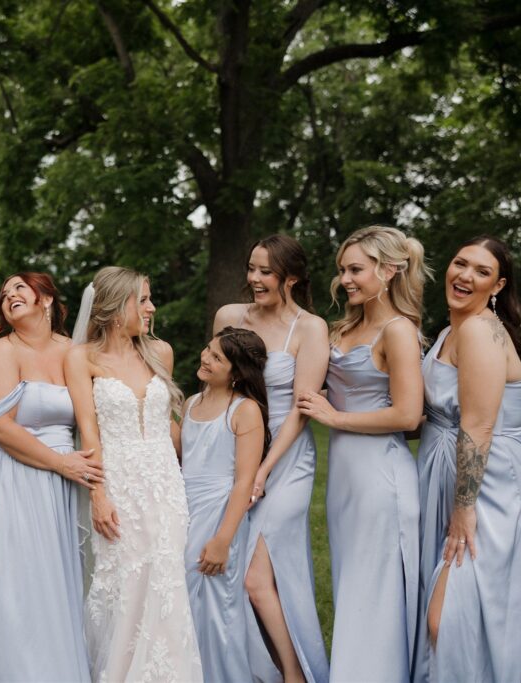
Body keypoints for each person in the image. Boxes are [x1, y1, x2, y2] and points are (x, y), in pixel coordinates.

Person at [414, 236, 521, 682]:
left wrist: (463, 510)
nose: (465, 276)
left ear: (497, 286)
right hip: (449, 471)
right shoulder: (449, 331)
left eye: (482, 272)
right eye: (460, 263)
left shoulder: (480, 330)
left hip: (489, 485)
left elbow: (478, 426)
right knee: (460, 616)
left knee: (451, 618)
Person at [297, 226, 427, 682]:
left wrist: (336, 418)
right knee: (351, 586)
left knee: (375, 592)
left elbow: (408, 415)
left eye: (355, 269)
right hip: (345, 481)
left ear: (388, 271)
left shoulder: (399, 331)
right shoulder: (344, 328)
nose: (345, 279)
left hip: (381, 478)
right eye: (342, 270)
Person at [64, 266, 203, 682]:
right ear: (114, 305)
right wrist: (98, 495)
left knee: (167, 582)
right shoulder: (81, 358)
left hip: (165, 482)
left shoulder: (160, 352)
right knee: (124, 584)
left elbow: (169, 422)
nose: (151, 307)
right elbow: (88, 431)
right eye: (142, 299)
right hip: (119, 483)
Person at [0, 272, 95, 682]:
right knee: (18, 582)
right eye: (4, 294)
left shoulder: (75, 351)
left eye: (19, 288)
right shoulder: (3, 350)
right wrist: (60, 463)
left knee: (56, 580)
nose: (9, 296)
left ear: (46, 299)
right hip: (13, 477)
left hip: (62, 482)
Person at [213, 235, 330, 683]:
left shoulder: (310, 328)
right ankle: (249, 666)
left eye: (266, 272)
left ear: (292, 278)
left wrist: (263, 470)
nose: (255, 279)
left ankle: (294, 674)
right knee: (232, 564)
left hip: (286, 458)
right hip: (237, 449)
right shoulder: (229, 317)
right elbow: (215, 382)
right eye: (252, 268)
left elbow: (303, 408)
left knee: (256, 578)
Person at [183, 327, 268, 681]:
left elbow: (244, 482)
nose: (205, 358)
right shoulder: (191, 403)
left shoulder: (244, 410)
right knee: (184, 597)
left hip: (221, 513)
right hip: (185, 507)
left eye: (217, 357)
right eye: (208, 349)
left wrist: (223, 539)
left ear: (236, 372)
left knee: (218, 604)